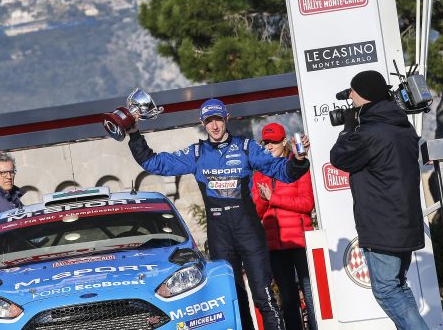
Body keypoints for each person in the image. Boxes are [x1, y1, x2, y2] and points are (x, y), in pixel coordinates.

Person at [127, 98, 310, 330]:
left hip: (249, 234)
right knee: (235, 302)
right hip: (220, 237)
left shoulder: (246, 148)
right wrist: (134, 134)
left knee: (264, 299)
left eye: (218, 120)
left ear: (227, 118)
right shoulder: (196, 153)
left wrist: (298, 159)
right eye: (209, 121)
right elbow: (155, 163)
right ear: (202, 122)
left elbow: (282, 171)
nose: (214, 126)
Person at [330, 70, 428, 330]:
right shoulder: (402, 127)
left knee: (386, 290)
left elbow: (339, 157)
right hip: (404, 222)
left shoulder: (371, 133)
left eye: (352, 91)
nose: (350, 96)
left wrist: (348, 128)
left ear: (363, 94)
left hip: (383, 226)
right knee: (397, 286)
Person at [252, 123, 317, 330]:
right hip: (275, 247)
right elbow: (256, 212)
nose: (269, 146)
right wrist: (264, 200)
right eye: (266, 143)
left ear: (284, 141)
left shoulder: (297, 165)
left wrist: (273, 198)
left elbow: (307, 204)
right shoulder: (259, 172)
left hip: (300, 242)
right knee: (288, 300)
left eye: (273, 142)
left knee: (311, 296)